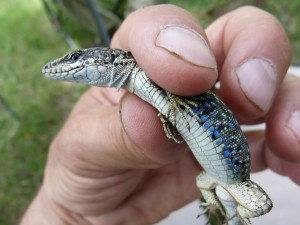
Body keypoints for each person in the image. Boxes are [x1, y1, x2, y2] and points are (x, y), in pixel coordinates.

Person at [21, 4, 299, 225]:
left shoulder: (140, 73)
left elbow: (169, 101)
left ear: (104, 57)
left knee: (259, 205)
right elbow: (166, 101)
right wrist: (62, 214)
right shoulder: (139, 81)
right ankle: (223, 210)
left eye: (75, 58)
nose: (68, 65)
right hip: (212, 178)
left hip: (227, 175)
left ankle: (232, 215)